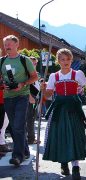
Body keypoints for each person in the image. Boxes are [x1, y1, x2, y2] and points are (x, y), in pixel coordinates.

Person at [41, 48, 86, 180]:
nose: (66, 62)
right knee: (60, 135)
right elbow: (48, 95)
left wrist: (83, 90)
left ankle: (75, 166)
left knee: (75, 135)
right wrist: (44, 89)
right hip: (58, 109)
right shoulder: (54, 76)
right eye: (63, 59)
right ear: (58, 61)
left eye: (68, 59)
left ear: (71, 60)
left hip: (74, 108)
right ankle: (64, 163)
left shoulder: (78, 74)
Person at [0, 35, 38, 166]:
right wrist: (2, 85)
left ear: (17, 45)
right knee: (16, 127)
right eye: (5, 44)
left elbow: (34, 77)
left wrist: (23, 84)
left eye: (9, 44)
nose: (6, 47)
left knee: (17, 125)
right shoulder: (1, 61)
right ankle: (25, 151)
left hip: (22, 96)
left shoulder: (24, 60)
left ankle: (17, 156)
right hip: (8, 97)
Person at [25, 56, 39, 144]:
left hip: (35, 97)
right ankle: (31, 138)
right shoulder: (26, 74)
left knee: (32, 118)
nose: (34, 64)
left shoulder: (34, 73)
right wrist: (30, 97)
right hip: (29, 97)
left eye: (35, 63)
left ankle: (31, 137)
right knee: (30, 118)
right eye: (32, 63)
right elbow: (26, 86)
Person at [0, 88, 12, 155]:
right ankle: (1, 144)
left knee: (4, 124)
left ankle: (2, 143)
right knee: (3, 124)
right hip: (3, 101)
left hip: (3, 100)